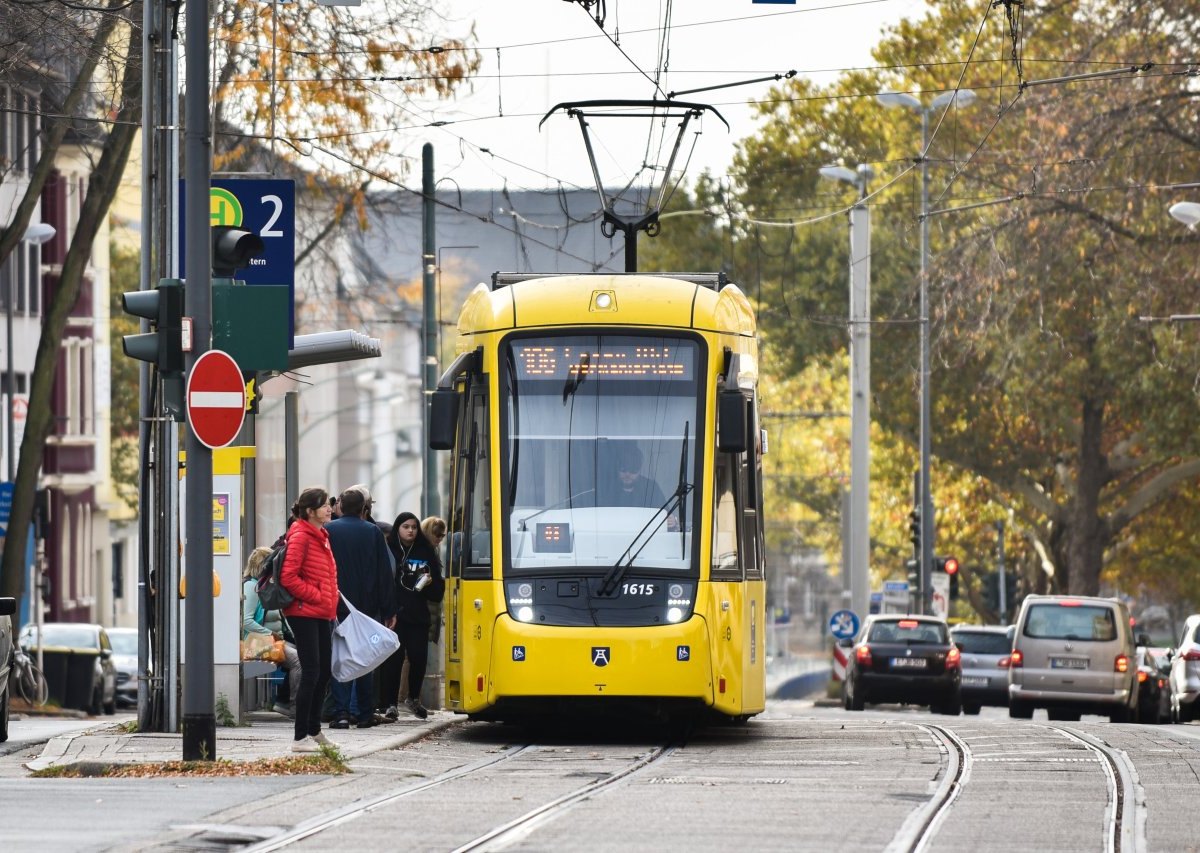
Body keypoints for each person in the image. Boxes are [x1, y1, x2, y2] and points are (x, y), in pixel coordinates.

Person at [325, 486, 396, 729]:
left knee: (340, 656)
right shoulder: (373, 532)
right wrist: (389, 610)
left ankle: (342, 713)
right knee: (365, 656)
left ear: (341, 507)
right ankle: (365, 713)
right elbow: (383, 572)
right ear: (364, 509)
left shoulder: (328, 530)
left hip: (336, 604)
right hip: (367, 605)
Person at [280, 486, 340, 753]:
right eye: (324, 505)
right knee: (311, 672)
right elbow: (288, 577)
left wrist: (329, 599)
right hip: (304, 611)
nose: (329, 509)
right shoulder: (302, 536)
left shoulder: (321, 535)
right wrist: (316, 595)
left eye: (329, 504)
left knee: (325, 671)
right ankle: (299, 737)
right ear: (310, 511)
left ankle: (314, 730)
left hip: (321, 611)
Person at [383, 511, 446, 719]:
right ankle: (390, 703)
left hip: (418, 615)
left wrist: (428, 584)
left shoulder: (425, 551)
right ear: (397, 528)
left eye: (414, 527)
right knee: (394, 660)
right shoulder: (389, 549)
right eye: (406, 527)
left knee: (419, 658)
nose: (410, 531)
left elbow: (438, 591)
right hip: (394, 615)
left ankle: (413, 698)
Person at [242, 546, 302, 718]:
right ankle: (293, 706)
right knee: (298, 661)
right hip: (256, 642)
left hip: (269, 640)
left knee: (307, 656)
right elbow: (246, 621)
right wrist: (270, 634)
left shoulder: (263, 587)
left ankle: (286, 701)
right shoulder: (252, 588)